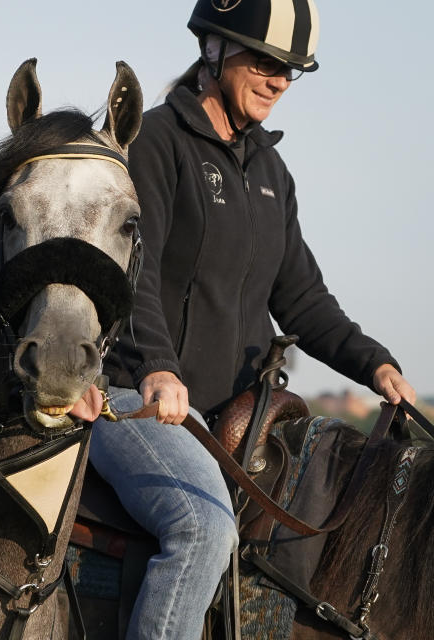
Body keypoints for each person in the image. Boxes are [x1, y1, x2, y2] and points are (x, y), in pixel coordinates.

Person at [90, 1, 416, 638]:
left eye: (292, 71)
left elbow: (303, 299)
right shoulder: (154, 141)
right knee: (202, 527)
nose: (278, 81)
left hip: (244, 418)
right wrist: (156, 366)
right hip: (132, 400)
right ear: (214, 50)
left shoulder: (272, 171)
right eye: (266, 62)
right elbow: (134, 271)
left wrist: (377, 363)